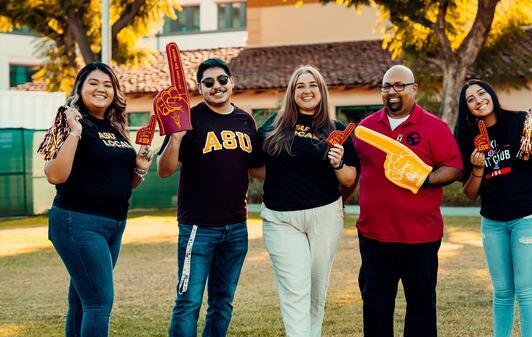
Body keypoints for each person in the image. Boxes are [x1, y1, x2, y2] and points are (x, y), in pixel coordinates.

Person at [44, 62, 153, 337]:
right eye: (93, 82)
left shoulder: (115, 126)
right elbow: (54, 175)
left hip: (114, 224)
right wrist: (75, 133)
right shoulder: (68, 121)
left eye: (108, 84)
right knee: (99, 302)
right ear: (80, 87)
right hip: (77, 221)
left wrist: (139, 166)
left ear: (115, 92)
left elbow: (123, 182)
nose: (101, 89)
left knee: (82, 300)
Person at [353, 65, 462, 337]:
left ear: (414, 88)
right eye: (387, 86)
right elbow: (351, 171)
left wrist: (422, 178)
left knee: (421, 307)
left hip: (421, 237)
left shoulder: (434, 127)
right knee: (376, 306)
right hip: (375, 236)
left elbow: (453, 168)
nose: (392, 91)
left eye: (400, 85)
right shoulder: (366, 129)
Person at [157, 58, 262, 337]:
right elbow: (164, 170)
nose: (217, 86)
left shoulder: (245, 119)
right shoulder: (188, 118)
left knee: (222, 302)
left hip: (236, 228)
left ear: (232, 82)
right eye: (209, 82)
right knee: (189, 301)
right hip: (198, 227)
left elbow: (257, 168)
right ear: (199, 88)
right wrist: (176, 138)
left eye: (222, 80)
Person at [258, 65, 358, 337]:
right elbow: (254, 165)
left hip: (324, 215)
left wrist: (338, 163)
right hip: (280, 220)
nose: (306, 90)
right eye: (300, 86)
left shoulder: (337, 129)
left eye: (312, 85)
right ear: (292, 93)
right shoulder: (273, 125)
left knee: (316, 289)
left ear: (321, 91)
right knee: (295, 288)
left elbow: (350, 179)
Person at [454, 79, 532, 337]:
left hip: (528, 216)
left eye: (481, 93)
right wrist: (477, 168)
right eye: (470, 99)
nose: (478, 100)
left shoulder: (519, 121)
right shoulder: (467, 137)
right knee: (502, 291)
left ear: (492, 94)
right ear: (467, 108)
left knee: (526, 287)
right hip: (493, 221)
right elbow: (469, 193)